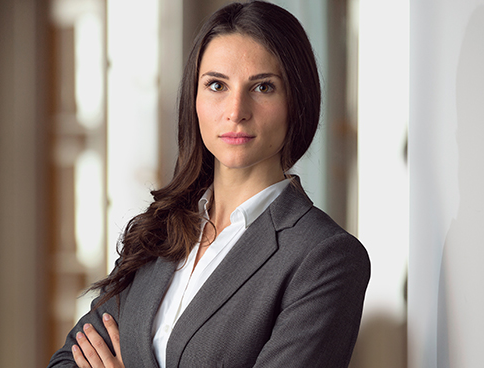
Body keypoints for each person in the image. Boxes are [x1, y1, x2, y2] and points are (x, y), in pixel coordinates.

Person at [47, 2, 370, 367]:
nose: (236, 110)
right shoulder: (162, 230)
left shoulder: (324, 257)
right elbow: (66, 361)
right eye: (216, 85)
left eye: (263, 87)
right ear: (194, 99)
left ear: (297, 101)